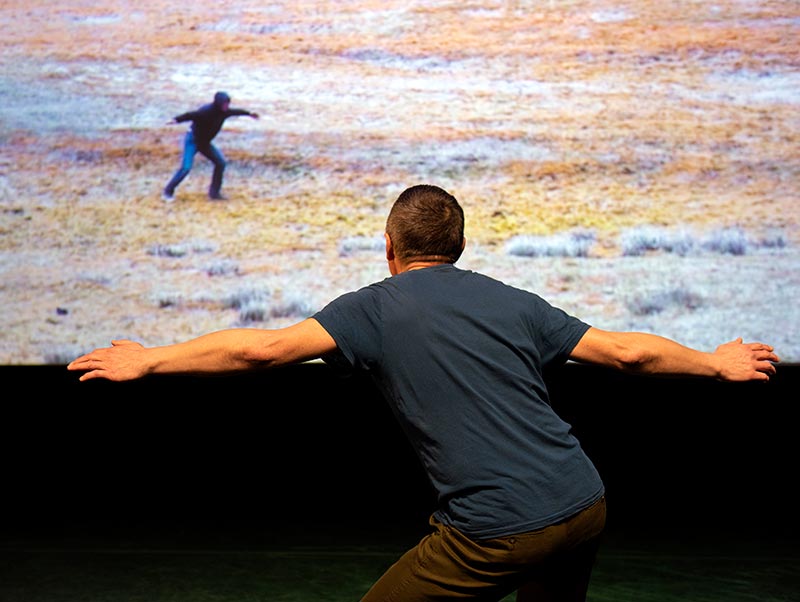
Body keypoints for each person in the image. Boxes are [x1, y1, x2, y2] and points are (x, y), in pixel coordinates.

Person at [68, 184, 779, 602]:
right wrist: (716, 364)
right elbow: (626, 352)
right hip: (585, 503)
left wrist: (150, 360)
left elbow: (262, 349)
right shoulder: (513, 299)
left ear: (388, 244)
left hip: (499, 531)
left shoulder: (374, 306)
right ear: (460, 246)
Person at [162, 91, 259, 202]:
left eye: (227, 104)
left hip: (205, 143)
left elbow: (235, 112)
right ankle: (167, 192)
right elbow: (191, 115)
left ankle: (214, 193)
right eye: (224, 104)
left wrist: (249, 114)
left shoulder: (225, 112)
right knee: (186, 168)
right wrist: (176, 120)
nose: (226, 106)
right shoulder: (206, 111)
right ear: (218, 103)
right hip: (193, 141)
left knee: (220, 163)